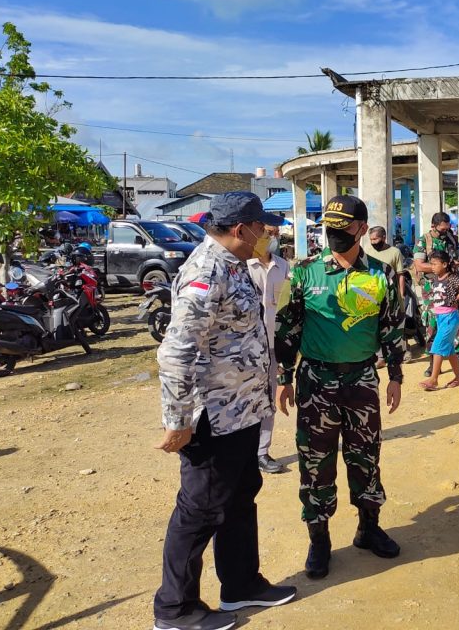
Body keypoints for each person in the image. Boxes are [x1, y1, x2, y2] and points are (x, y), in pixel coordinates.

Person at [154, 191, 295, 630]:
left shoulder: (235, 265)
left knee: (239, 497)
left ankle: (240, 584)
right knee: (199, 510)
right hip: (212, 415)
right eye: (263, 228)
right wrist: (177, 421)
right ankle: (175, 610)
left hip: (241, 410)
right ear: (242, 230)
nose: (269, 234)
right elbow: (176, 351)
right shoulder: (206, 270)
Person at [275, 195, 407, 581]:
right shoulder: (304, 273)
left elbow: (392, 329)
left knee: (365, 455)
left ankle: (369, 526)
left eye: (343, 227)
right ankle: (319, 539)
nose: (334, 233)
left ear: (362, 229)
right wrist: (285, 377)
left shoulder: (380, 275)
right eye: (330, 226)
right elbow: (288, 328)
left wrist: (396, 376)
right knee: (316, 464)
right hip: (316, 382)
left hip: (362, 380)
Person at [246, 224, 289, 475]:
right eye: (267, 233)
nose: (272, 238)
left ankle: (262, 452)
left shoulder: (283, 266)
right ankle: (244, 452)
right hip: (247, 347)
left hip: (272, 345)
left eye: (275, 234)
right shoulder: (244, 266)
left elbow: (285, 306)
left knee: (268, 400)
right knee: (245, 400)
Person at [420, 249, 459, 391]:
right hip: (441, 317)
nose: (432, 267)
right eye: (431, 264)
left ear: (444, 264)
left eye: (435, 264)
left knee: (437, 347)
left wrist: (454, 299)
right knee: (449, 350)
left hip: (450, 317)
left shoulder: (451, 278)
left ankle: (434, 379)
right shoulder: (436, 278)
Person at [413, 212, 458, 340]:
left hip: (450, 284)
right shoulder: (424, 241)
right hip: (431, 286)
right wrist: (444, 266)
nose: (445, 231)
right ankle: (432, 351)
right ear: (433, 226)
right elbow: (420, 266)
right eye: (442, 229)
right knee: (433, 318)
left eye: (447, 228)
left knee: (452, 316)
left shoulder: (451, 239)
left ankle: (455, 350)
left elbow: (458, 255)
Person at [368, 226, 407, 300]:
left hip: (390, 293)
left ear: (383, 237)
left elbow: (400, 275)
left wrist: (401, 295)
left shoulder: (395, 252)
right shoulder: (368, 251)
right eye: (371, 240)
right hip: (371, 292)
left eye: (375, 239)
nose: (372, 242)